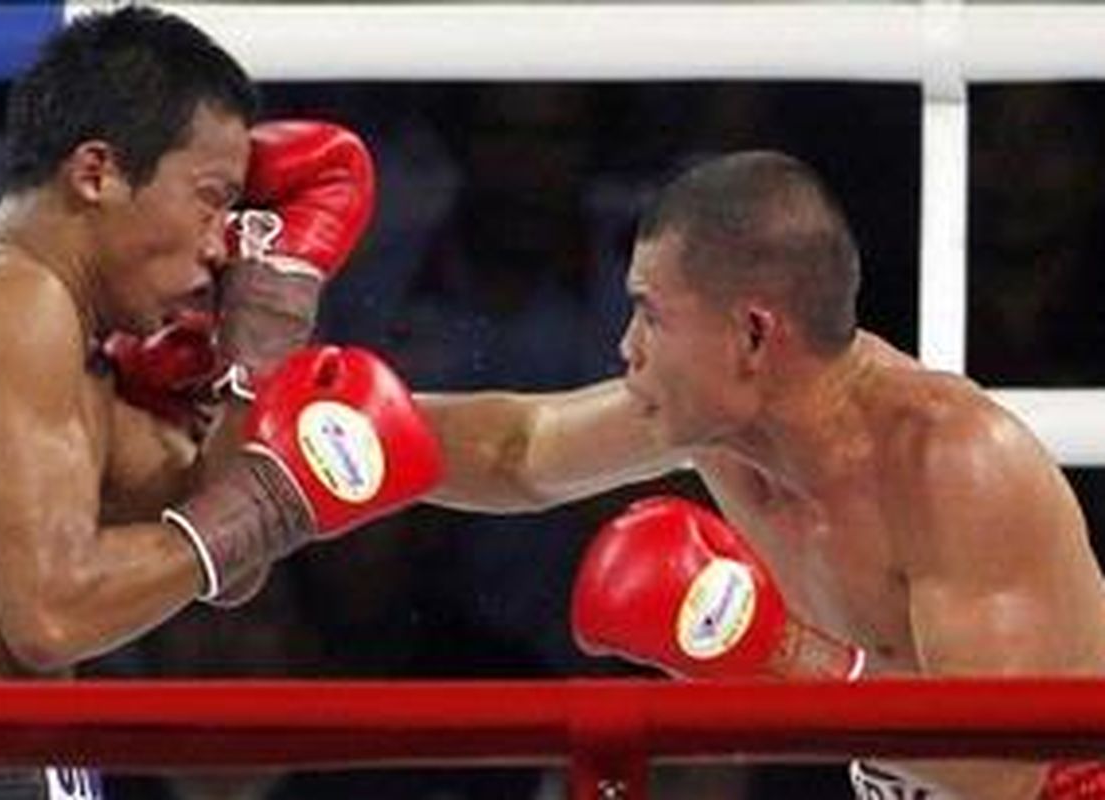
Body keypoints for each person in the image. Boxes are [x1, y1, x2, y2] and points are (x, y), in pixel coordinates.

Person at [418, 150, 1105, 799]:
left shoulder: (951, 461)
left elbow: (1003, 773)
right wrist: (363, 425)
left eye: (650, 314)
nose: (628, 345)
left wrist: (786, 654)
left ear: (752, 333)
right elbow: (520, 449)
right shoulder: (717, 424)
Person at [0, 6, 440, 798]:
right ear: (97, 172)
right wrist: (266, 506)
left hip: (4, 762)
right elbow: (53, 614)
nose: (223, 244)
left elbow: (220, 562)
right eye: (211, 199)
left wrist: (255, 356)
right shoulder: (14, 298)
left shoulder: (62, 351)